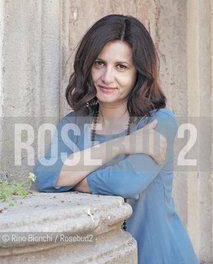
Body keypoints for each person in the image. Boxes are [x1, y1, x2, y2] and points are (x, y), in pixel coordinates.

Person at [34, 14, 199, 263]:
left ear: (138, 73)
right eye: (99, 64)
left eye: (121, 66)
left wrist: (73, 178)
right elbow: (45, 176)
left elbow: (126, 183)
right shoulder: (74, 124)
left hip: (160, 255)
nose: (107, 77)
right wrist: (121, 145)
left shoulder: (158, 122)